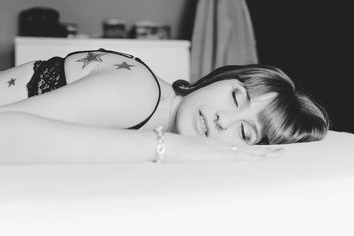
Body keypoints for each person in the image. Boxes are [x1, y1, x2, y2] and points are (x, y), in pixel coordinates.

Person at [0, 48, 329, 164]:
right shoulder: (138, 91)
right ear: (222, 78)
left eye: (245, 131)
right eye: (235, 97)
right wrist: (166, 148)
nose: (221, 120)